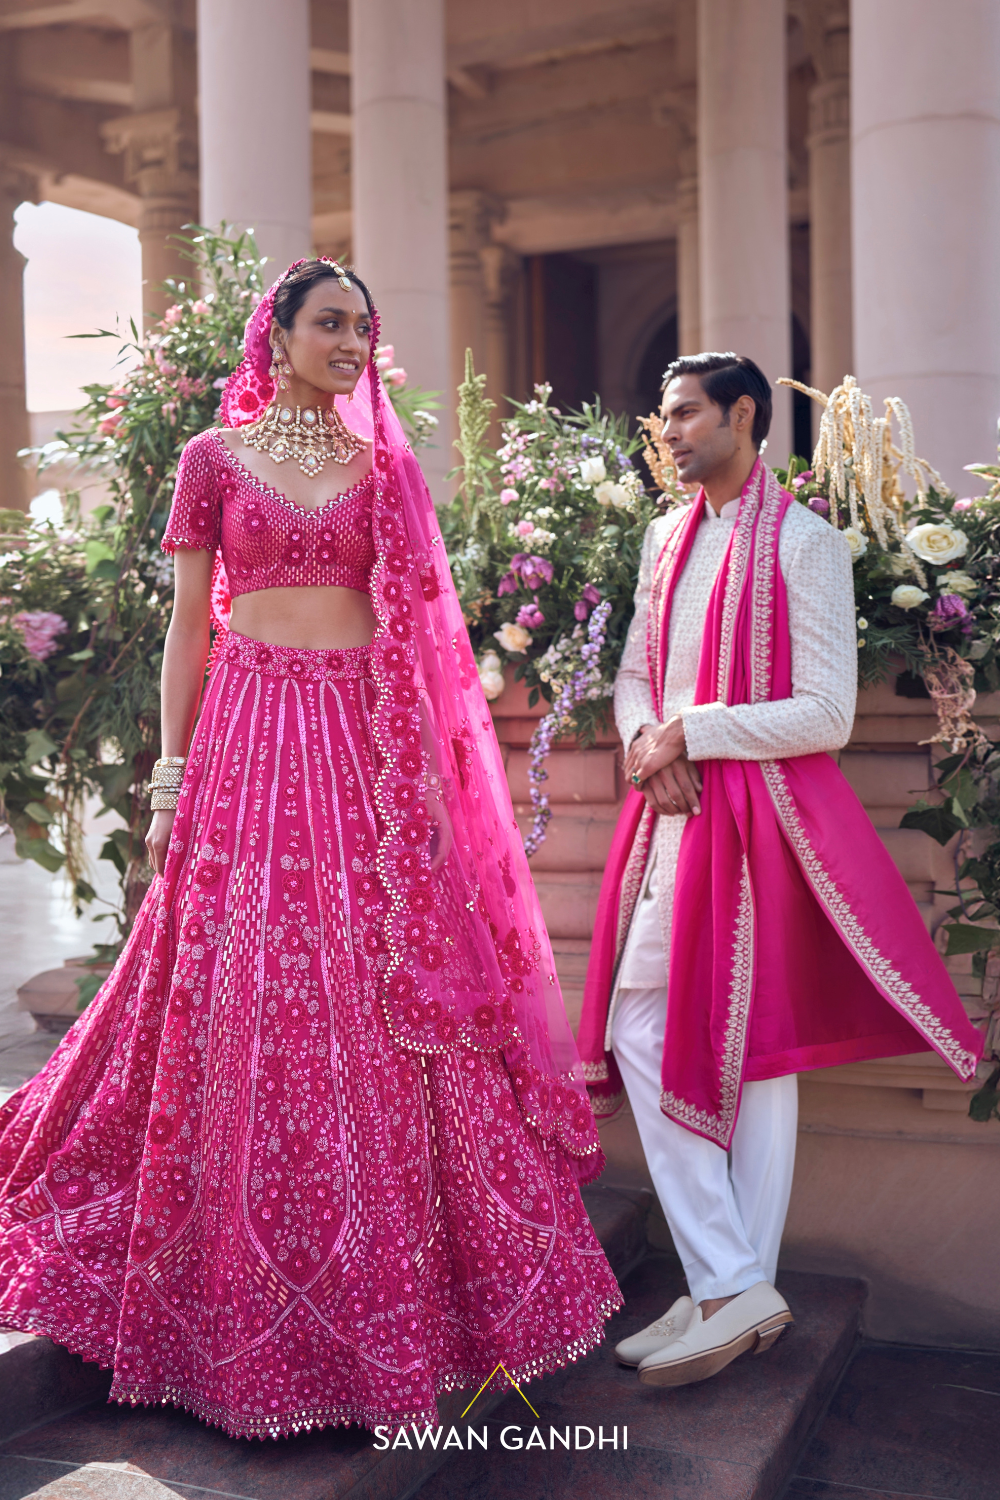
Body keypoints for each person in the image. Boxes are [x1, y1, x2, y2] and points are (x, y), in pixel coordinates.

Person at [0, 258, 621, 1440]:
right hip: (240, 730)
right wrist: (172, 775)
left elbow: (424, 636)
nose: (349, 340)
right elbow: (191, 626)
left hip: (351, 740)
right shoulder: (210, 462)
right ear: (275, 335)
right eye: (328, 322)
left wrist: (432, 784)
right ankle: (220, 1289)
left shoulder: (384, 469)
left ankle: (384, 1294)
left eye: (361, 327)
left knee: (362, 980)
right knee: (237, 976)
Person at [578, 352, 981, 1389]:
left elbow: (825, 714)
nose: (664, 432)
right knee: (648, 1026)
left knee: (743, 1046)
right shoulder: (664, 537)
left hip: (763, 823)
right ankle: (732, 1284)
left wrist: (689, 735)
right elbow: (632, 674)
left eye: (681, 413)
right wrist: (646, 747)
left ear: (741, 414)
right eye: (660, 416)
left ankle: (726, 1284)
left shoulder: (803, 542)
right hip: (670, 816)